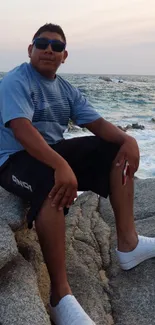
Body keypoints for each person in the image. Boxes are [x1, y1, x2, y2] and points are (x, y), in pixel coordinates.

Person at [0, 23, 155, 325]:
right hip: (13, 160)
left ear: (64, 56)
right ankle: (60, 296)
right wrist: (60, 165)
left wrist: (128, 140)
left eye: (56, 46)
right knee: (49, 181)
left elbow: (97, 124)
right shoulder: (16, 80)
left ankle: (129, 244)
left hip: (52, 151)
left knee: (114, 150)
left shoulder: (66, 89)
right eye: (42, 43)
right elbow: (22, 130)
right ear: (30, 49)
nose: (49, 49)